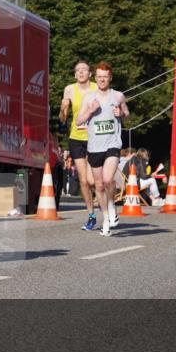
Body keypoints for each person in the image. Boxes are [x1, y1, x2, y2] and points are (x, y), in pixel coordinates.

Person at [76, 62, 129, 236]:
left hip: (112, 144)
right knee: (98, 186)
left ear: (110, 78)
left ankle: (112, 206)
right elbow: (78, 121)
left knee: (107, 179)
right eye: (99, 77)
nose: (102, 80)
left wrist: (122, 114)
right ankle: (105, 219)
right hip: (94, 147)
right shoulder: (89, 98)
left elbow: (127, 114)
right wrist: (90, 111)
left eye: (105, 77)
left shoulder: (118, 96)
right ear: (95, 77)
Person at [59, 61, 99, 229]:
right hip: (76, 137)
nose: (81, 72)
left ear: (90, 74)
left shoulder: (97, 88)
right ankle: (91, 215)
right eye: (78, 70)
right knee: (83, 180)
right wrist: (63, 108)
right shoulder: (69, 89)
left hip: (94, 137)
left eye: (84, 69)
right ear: (75, 75)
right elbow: (62, 119)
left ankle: (108, 206)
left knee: (93, 180)